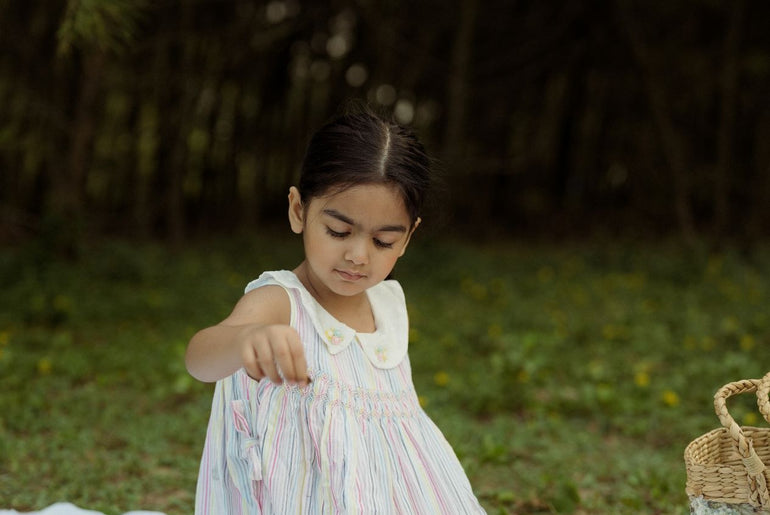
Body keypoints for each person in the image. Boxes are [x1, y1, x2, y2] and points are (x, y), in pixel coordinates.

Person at [185, 108, 486, 514]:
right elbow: (200, 359)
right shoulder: (281, 301)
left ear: (408, 237)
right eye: (339, 232)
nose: (358, 255)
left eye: (383, 241)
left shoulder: (387, 305)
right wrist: (246, 339)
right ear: (298, 210)